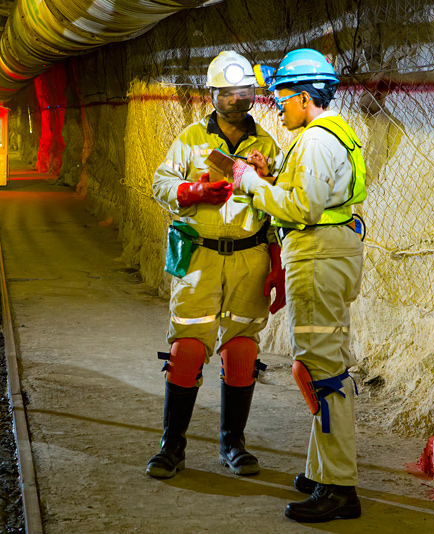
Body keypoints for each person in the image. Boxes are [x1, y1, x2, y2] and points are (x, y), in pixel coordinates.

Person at [231, 48, 367, 522]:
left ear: (306, 97)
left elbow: (301, 210)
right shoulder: (332, 134)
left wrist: (249, 182)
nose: (277, 104)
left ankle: (338, 488)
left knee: (321, 374)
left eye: (283, 96)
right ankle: (322, 470)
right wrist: (272, 177)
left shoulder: (313, 141)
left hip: (317, 254)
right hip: (331, 251)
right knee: (321, 366)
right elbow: (308, 194)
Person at [148, 51, 283, 480]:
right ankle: (172, 447)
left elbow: (280, 202)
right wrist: (191, 192)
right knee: (187, 349)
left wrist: (268, 180)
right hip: (200, 256)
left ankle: (233, 445)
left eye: (245, 92)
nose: (238, 100)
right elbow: (160, 183)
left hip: (250, 256)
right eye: (229, 93)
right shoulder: (190, 138)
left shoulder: (267, 145)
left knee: (242, 349)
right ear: (213, 95)